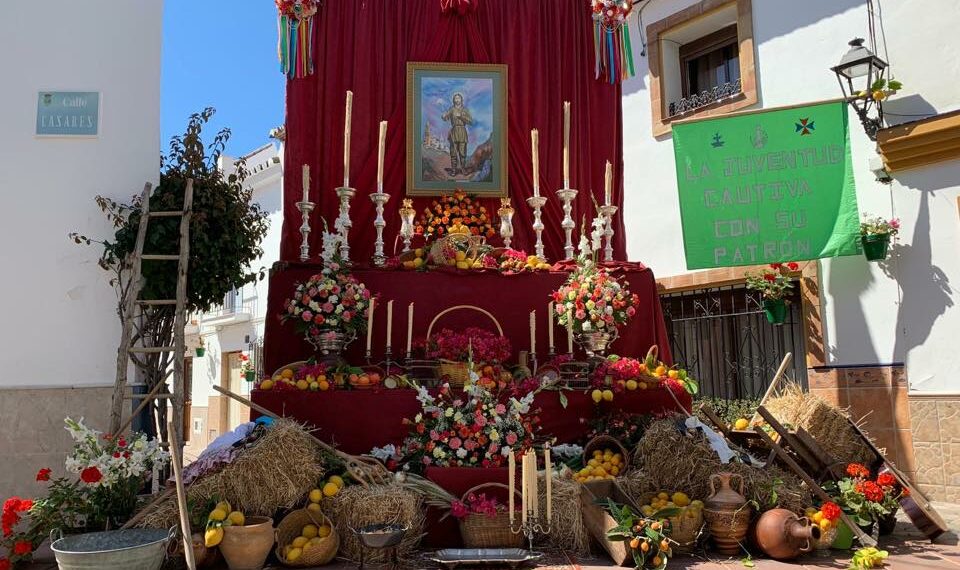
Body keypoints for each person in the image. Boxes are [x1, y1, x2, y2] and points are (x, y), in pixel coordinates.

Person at [441, 92, 473, 176]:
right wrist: (443, 116)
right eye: (456, 98)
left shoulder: (465, 110)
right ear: (453, 100)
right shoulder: (451, 109)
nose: (457, 100)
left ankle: (463, 169)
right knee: (453, 152)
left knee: (462, 153)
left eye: (459, 98)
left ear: (461, 100)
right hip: (454, 132)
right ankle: (454, 170)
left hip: (462, 132)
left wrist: (461, 117)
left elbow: (470, 121)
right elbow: (445, 118)